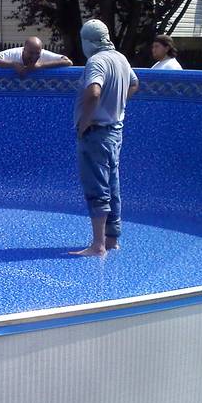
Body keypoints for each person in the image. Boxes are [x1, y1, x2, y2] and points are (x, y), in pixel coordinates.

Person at [71, 19, 139, 257]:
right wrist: (118, 105)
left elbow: (94, 91)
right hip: (115, 131)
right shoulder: (121, 58)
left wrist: (85, 122)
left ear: (88, 41)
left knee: (97, 186)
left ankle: (98, 245)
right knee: (113, 184)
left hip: (96, 132)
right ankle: (112, 239)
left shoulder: (96, 61)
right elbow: (134, 83)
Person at [0, 36, 73, 76]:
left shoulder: (43, 54)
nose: (34, 56)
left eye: (37, 53)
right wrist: (13, 64)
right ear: (24, 50)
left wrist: (41, 66)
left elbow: (68, 62)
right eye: (31, 53)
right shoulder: (14, 53)